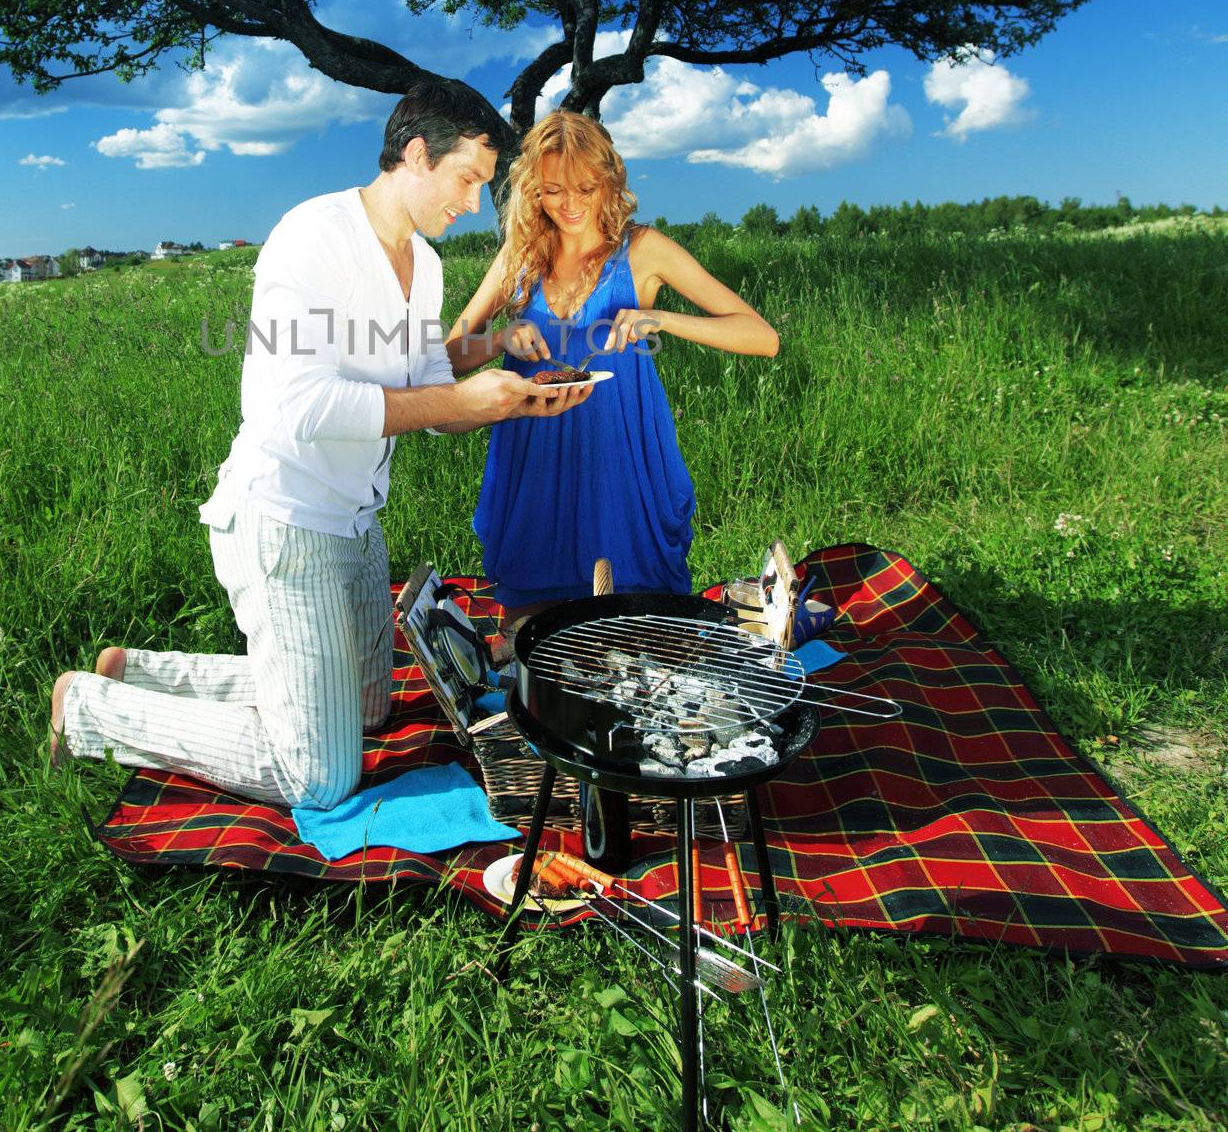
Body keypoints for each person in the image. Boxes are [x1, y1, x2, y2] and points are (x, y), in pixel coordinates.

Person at [49, 80, 592, 808]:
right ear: (416, 153)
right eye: (467, 179)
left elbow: (431, 396)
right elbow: (298, 406)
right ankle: (89, 707)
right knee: (320, 773)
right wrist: (464, 395)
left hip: (354, 525)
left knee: (369, 710)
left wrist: (515, 403)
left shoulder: (424, 267)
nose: (471, 204)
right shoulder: (313, 238)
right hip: (284, 521)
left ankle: (139, 672)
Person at [445, 109, 777, 617]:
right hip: (532, 471)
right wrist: (499, 339)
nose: (571, 204)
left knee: (640, 642)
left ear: (608, 180)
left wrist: (661, 319)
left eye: (586, 187)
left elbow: (762, 337)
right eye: (554, 190)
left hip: (622, 469)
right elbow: (448, 356)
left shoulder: (643, 250)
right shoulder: (521, 253)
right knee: (529, 646)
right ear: (534, 188)